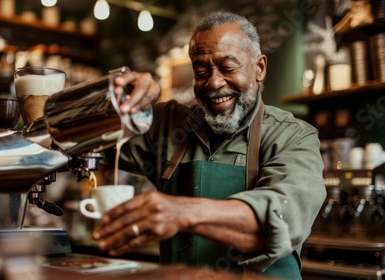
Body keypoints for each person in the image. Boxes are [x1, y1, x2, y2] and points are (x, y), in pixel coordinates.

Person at [92, 10, 326, 278]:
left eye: (228, 68)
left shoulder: (293, 136)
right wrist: (119, 96)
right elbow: (78, 137)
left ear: (259, 68)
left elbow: (279, 222)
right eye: (201, 71)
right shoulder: (167, 125)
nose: (213, 82)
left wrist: (180, 211)